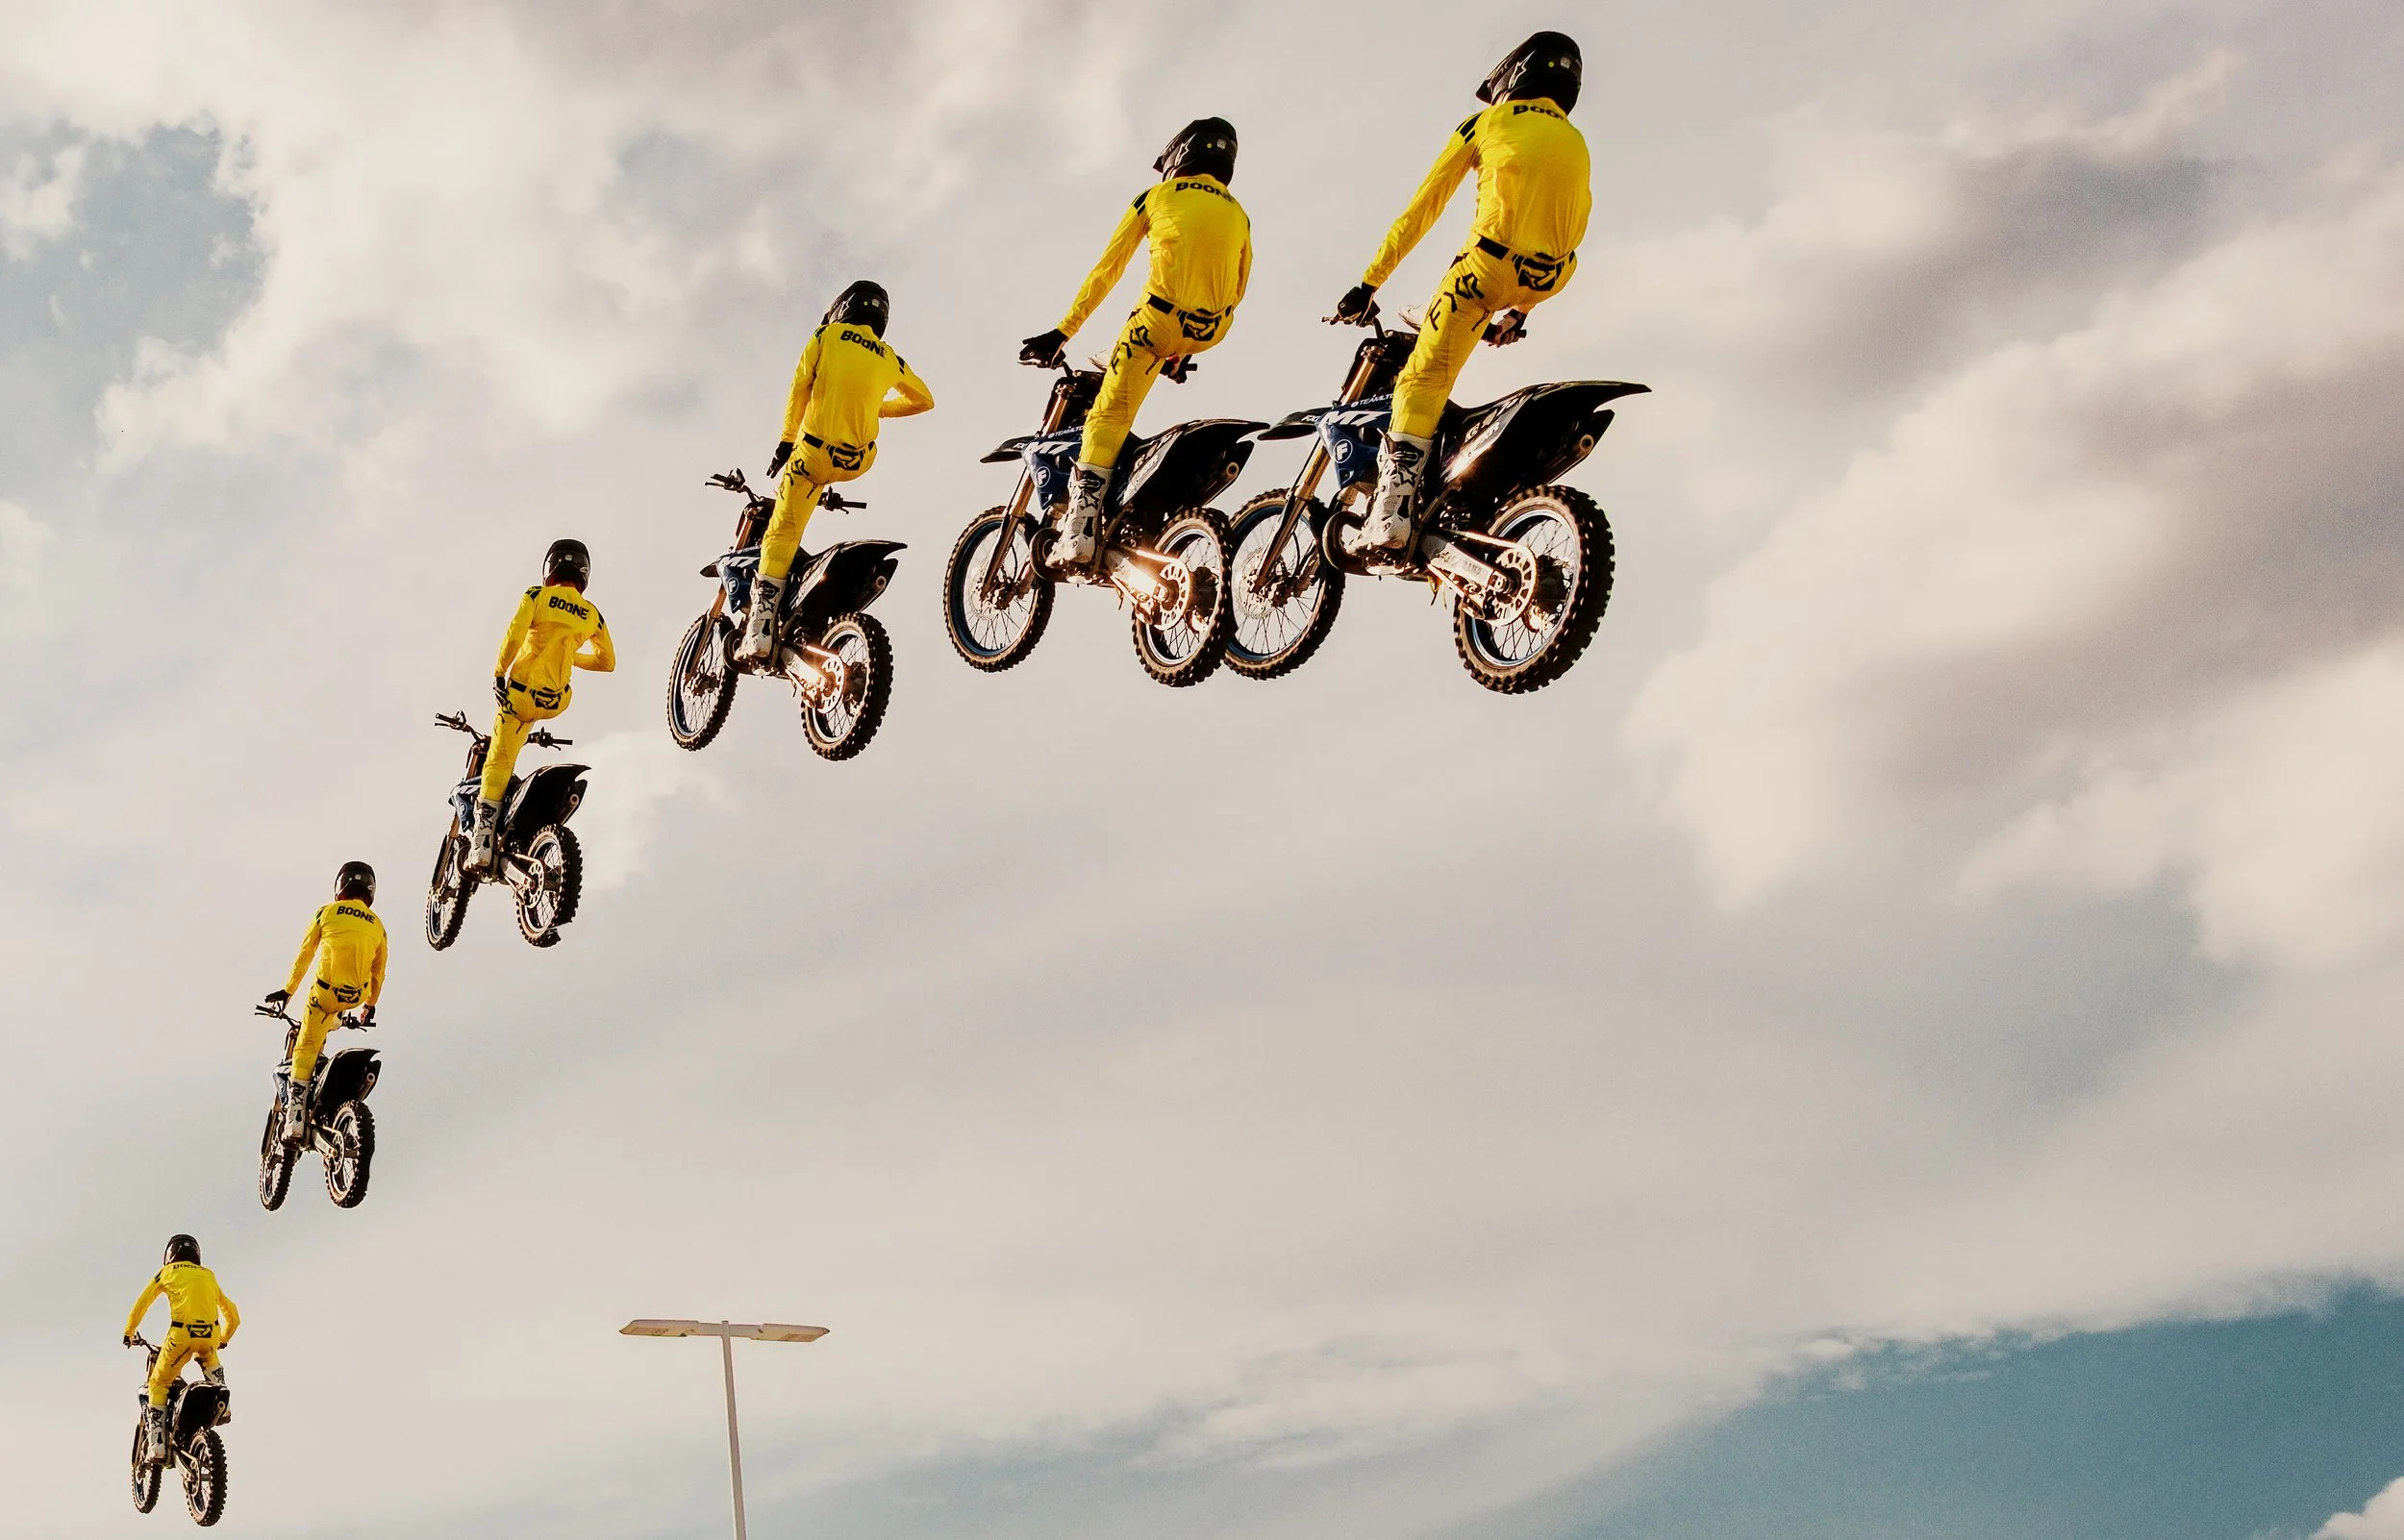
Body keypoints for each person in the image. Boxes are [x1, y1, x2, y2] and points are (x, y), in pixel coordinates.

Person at [1331, 32, 1590, 553]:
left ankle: (1390, 512)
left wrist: (1368, 284)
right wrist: (1520, 312)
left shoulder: (1486, 122)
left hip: (1485, 273)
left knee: (1422, 379)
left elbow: (1420, 212)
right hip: (1548, 277)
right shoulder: (1576, 140)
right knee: (1461, 322)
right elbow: (1573, 222)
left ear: (1514, 78)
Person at [1019, 117, 1251, 565]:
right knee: (1140, 351)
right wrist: (1185, 348)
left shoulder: (1156, 196)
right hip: (1211, 329)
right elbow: (1240, 284)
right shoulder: (1239, 212)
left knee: (1108, 413)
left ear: (1179, 157)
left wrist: (1062, 332)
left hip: (1156, 325)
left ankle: (1080, 527)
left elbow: (1107, 271)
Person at [743, 281, 934, 663]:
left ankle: (761, 625)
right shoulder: (889, 356)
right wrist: (876, 408)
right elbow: (924, 400)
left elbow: (800, 386)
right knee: (815, 486)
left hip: (812, 456)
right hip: (858, 461)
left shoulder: (826, 335)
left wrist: (784, 442)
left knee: (782, 530)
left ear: (843, 307)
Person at [465, 539, 614, 870]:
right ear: (584, 573)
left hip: (519, 696)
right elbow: (608, 662)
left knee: (497, 765)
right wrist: (571, 654)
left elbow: (514, 635)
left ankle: (482, 841)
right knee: (520, 736)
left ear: (550, 569)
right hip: (555, 702)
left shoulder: (537, 596)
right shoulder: (592, 615)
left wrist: (498, 672)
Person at [262, 860, 387, 1140]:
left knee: (305, 1045)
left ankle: (295, 1113)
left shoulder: (326, 912)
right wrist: (370, 1006)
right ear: (370, 891)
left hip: (325, 995)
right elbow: (379, 972)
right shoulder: (378, 925)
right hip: (355, 996)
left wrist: (288, 991)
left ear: (340, 887)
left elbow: (305, 955)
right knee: (332, 1016)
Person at [123, 1234, 238, 1459]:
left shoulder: (167, 1272)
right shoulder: (208, 1275)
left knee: (158, 1383)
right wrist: (223, 1339)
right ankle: (223, 1401)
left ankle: (157, 1443)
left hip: (181, 1335)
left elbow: (141, 1305)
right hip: (210, 1333)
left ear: (169, 1255)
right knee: (209, 1357)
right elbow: (233, 1315)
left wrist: (129, 1333)